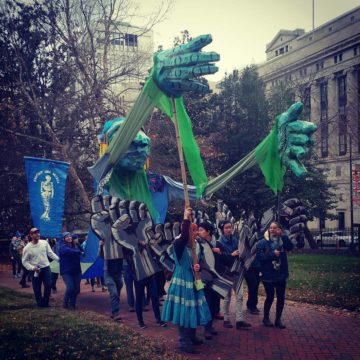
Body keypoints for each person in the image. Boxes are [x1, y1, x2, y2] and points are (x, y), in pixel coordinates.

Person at [162, 207, 211, 355]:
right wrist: (185, 217)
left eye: (196, 231)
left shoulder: (196, 248)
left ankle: (192, 336)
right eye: (193, 231)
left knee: (194, 308)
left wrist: (198, 266)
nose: (196, 234)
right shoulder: (179, 245)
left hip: (195, 281)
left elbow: (200, 262)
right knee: (184, 310)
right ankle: (184, 342)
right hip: (182, 281)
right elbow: (183, 238)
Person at [256, 221, 294, 328]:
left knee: (281, 297)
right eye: (271, 228)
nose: (272, 230)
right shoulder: (263, 242)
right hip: (268, 275)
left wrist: (283, 235)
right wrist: (272, 254)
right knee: (270, 297)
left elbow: (290, 247)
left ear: (279, 229)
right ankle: (266, 318)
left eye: (275, 228)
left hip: (281, 274)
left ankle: (278, 319)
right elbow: (259, 257)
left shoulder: (283, 240)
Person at [217, 220, 251, 330]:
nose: (229, 229)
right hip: (226, 273)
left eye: (230, 227)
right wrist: (231, 255)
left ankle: (239, 320)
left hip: (237, 271)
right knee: (227, 297)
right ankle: (226, 319)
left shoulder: (235, 239)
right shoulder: (219, 242)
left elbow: (240, 249)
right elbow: (220, 259)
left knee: (240, 296)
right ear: (222, 229)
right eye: (226, 228)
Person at [22, 228, 59, 307]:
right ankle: (40, 304)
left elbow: (50, 253)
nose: (38, 234)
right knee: (37, 287)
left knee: (49, 284)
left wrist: (59, 259)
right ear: (31, 235)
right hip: (35, 270)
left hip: (46, 268)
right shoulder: (27, 248)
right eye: (35, 233)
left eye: (38, 233)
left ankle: (46, 303)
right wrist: (32, 268)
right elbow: (24, 261)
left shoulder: (44, 243)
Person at [197, 221, 220, 340]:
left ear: (208, 232)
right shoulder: (198, 243)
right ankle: (206, 328)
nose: (198, 232)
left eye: (201, 230)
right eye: (198, 230)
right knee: (205, 303)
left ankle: (210, 326)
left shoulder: (210, 243)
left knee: (213, 304)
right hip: (201, 279)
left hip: (212, 278)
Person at [59, 232, 83, 309]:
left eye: (70, 236)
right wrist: (79, 252)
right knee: (70, 287)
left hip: (76, 271)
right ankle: (65, 302)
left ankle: (72, 304)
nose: (69, 238)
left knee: (77, 289)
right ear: (64, 239)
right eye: (66, 237)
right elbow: (69, 251)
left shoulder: (76, 246)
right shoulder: (62, 247)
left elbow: (84, 252)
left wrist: (78, 244)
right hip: (66, 271)